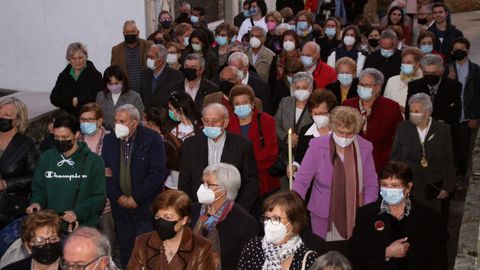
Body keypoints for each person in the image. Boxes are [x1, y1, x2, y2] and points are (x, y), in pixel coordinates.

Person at [293, 106, 378, 253]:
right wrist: (293, 206)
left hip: (356, 212)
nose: (344, 138)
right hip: (322, 213)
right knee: (323, 255)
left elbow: (371, 185)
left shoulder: (364, 147)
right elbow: (302, 180)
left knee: (351, 255)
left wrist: (366, 212)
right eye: (340, 132)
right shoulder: (317, 145)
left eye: (349, 134)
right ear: (332, 128)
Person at [349, 161, 448, 269]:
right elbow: (355, 253)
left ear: (408, 187)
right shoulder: (366, 214)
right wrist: (385, 253)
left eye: (395, 186)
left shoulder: (430, 218)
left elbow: (438, 261)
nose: (388, 190)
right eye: (384, 185)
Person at [101, 104, 167, 266]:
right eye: (115, 121)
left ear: (135, 123)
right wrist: (119, 198)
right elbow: (105, 174)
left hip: (146, 205)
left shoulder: (152, 139)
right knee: (126, 248)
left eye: (122, 121)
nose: (117, 125)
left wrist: (135, 198)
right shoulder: (109, 140)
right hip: (120, 207)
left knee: (148, 248)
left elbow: (157, 173)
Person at [27, 115, 106, 228]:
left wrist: (78, 212)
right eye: (56, 137)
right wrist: (36, 203)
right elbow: (39, 189)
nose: (60, 141)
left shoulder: (94, 161)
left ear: (77, 134)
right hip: (51, 225)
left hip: (83, 227)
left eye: (64, 137)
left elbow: (99, 197)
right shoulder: (46, 157)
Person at [178, 103, 259, 211]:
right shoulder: (191, 145)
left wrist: (238, 209)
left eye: (215, 121)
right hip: (198, 208)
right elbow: (184, 182)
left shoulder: (242, 146)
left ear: (225, 122)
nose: (210, 125)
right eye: (206, 121)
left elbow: (251, 183)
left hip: (233, 208)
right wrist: (193, 208)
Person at [391, 93, 455, 216]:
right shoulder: (402, 127)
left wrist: (448, 186)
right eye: (411, 110)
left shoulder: (443, 130)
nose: (413, 113)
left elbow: (448, 159)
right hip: (407, 185)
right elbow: (395, 157)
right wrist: (394, 182)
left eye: (417, 111)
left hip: (432, 186)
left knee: (429, 223)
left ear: (428, 112)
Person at [227, 85, 279, 221]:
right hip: (238, 183)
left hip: (264, 183)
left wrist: (248, 168)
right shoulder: (228, 124)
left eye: (245, 102)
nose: (241, 106)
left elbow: (270, 152)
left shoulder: (266, 120)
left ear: (252, 102)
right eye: (237, 103)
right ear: (232, 106)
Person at [191, 163, 257, 269]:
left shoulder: (244, 222)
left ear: (225, 189)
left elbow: (248, 263)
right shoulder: (192, 211)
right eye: (202, 183)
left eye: (209, 184)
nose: (202, 188)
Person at [128, 190, 214, 269]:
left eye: (168, 217)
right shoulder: (142, 242)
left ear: (184, 220)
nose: (161, 222)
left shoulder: (201, 247)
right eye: (157, 216)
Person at [343, 68, 403, 175]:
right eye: (361, 84)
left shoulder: (391, 107)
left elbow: (399, 138)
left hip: (380, 164)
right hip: (350, 162)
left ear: (378, 88)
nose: (363, 88)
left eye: (367, 86)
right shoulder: (347, 105)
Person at [237, 191, 318, 269]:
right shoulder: (254, 247)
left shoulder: (308, 260)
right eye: (267, 218)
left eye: (276, 218)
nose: (269, 223)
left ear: (294, 223)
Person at [76, 103, 115, 253]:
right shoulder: (76, 139)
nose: (85, 123)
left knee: (107, 236)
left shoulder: (111, 139)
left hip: (106, 199)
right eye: (82, 119)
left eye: (90, 119)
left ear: (99, 121)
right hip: (82, 197)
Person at [445, 37, 480, 187]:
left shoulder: (476, 70)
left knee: (466, 150)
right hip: (452, 117)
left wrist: (475, 116)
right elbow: (442, 95)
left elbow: (478, 95)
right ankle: (453, 177)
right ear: (452, 51)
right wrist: (450, 81)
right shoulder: (447, 70)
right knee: (452, 149)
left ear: (468, 50)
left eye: (463, 48)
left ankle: (463, 177)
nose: (460, 51)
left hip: (468, 117)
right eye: (456, 49)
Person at [0, 97, 39, 227]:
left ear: (17, 120)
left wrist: (7, 184)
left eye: (6, 115)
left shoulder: (28, 144)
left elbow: (37, 176)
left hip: (12, 210)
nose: (1, 117)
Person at [274, 72, 314, 179]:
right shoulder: (285, 101)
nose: (301, 90)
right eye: (298, 87)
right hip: (285, 154)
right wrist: (286, 137)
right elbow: (275, 124)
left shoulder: (316, 105)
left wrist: (300, 140)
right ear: (293, 88)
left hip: (307, 155)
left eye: (304, 87)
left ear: (311, 89)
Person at [406, 54, 461, 127]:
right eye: (426, 73)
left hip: (445, 129)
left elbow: (455, 112)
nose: (430, 75)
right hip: (419, 128)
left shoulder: (453, 86)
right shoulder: (414, 86)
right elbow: (409, 112)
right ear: (422, 70)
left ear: (441, 71)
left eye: (434, 73)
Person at [291, 90, 337, 176]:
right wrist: (294, 166)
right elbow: (299, 158)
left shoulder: (339, 132)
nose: (318, 117)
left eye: (322, 113)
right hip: (311, 182)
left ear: (331, 112)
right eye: (315, 113)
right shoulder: (305, 131)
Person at [50, 42, 102, 118]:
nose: (77, 61)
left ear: (86, 56)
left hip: (88, 119)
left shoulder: (95, 76)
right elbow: (54, 98)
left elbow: (98, 97)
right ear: (69, 60)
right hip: (67, 119)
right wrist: (71, 101)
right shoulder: (63, 76)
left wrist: (78, 101)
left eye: (80, 57)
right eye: (73, 58)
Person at [96, 65, 144, 130]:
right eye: (110, 84)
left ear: (123, 81)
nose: (114, 87)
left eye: (116, 83)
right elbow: (97, 116)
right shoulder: (100, 96)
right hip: (105, 133)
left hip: (127, 133)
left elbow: (140, 120)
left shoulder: (134, 97)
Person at [110, 20, 153, 93]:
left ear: (138, 33)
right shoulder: (116, 50)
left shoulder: (148, 46)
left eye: (132, 32)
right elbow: (113, 72)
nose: (130, 34)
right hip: (126, 92)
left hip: (147, 90)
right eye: (127, 32)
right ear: (123, 33)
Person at [140, 44, 184, 109]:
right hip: (148, 115)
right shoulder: (144, 74)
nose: (148, 60)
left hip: (165, 115)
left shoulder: (176, 76)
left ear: (161, 59)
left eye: (152, 57)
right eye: (147, 57)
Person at [384, 47, 423, 113]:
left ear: (417, 64)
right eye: (403, 62)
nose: (405, 65)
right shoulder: (392, 81)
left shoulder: (423, 82)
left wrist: (406, 111)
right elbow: (385, 104)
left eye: (408, 62)